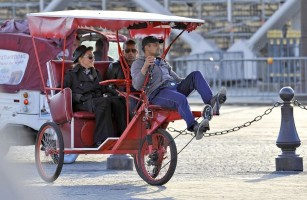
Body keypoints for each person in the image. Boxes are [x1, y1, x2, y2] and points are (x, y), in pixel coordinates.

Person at [131, 36, 226, 140]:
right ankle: (193, 126)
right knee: (180, 98)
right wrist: (145, 67)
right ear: (147, 47)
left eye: (159, 45)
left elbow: (177, 79)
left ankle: (211, 102)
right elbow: (137, 85)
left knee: (196, 75)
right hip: (158, 94)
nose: (159, 47)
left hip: (174, 88)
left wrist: (189, 82)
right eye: (155, 45)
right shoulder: (138, 63)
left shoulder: (162, 62)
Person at [64, 45, 126, 147]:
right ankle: (102, 140)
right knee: (103, 102)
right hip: (82, 102)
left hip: (96, 100)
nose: (93, 59)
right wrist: (80, 97)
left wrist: (111, 93)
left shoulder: (96, 73)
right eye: (90, 57)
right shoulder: (71, 74)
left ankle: (122, 136)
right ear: (80, 59)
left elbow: (102, 88)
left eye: (93, 57)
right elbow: (65, 92)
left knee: (119, 100)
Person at [107, 39, 138, 118]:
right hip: (122, 95)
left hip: (138, 93)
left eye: (133, 51)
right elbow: (108, 85)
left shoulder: (140, 66)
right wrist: (119, 93)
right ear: (123, 52)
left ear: (137, 53)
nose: (130, 53)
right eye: (127, 51)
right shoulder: (115, 66)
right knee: (130, 100)